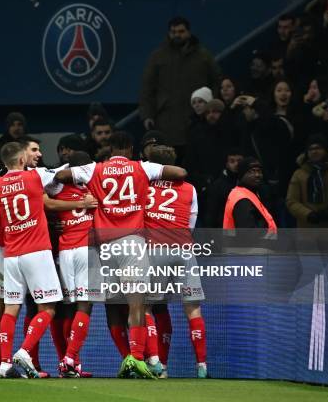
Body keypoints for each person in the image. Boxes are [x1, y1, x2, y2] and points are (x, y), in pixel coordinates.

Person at [54, 131, 188, 379]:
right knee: (137, 303)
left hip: (105, 247)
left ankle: (80, 357)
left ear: (111, 147)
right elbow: (180, 174)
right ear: (129, 148)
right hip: (132, 243)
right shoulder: (141, 167)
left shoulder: (94, 169)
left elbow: (61, 175)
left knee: (113, 307)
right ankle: (137, 357)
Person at [0, 142, 64, 379]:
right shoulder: (35, 176)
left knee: (11, 307)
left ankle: (4, 363)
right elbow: (63, 174)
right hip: (36, 251)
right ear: (21, 160)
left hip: (11, 255)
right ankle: (25, 351)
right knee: (48, 307)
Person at [143, 145, 207, 379]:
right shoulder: (189, 188)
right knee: (193, 308)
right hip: (184, 249)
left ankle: (157, 365)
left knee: (146, 306)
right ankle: (202, 366)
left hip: (153, 249)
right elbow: (191, 222)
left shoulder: (144, 184)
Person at [139, 16, 221, 154]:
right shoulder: (158, 56)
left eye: (181, 31)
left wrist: (210, 108)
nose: (177, 35)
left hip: (197, 120)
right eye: (173, 32)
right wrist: (147, 115)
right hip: (165, 121)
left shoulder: (203, 56)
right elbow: (147, 88)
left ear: (189, 32)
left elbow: (217, 80)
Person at [49, 151, 98, 377]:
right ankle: (69, 358)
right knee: (84, 305)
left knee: (69, 307)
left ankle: (72, 365)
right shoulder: (96, 188)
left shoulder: (57, 190)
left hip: (65, 252)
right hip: (86, 251)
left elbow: (43, 197)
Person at [286, 134, 328, 227]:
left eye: (318, 148)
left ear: (326, 150)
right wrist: (308, 214)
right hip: (308, 227)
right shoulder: (299, 174)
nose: (314, 151)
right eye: (310, 149)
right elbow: (291, 201)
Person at [223, 157, 277, 238]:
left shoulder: (251, 192)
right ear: (242, 175)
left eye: (259, 171)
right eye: (251, 171)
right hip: (247, 249)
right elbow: (248, 234)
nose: (257, 175)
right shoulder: (241, 198)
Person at [204, 150, 244, 228]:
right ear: (227, 164)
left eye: (239, 161)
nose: (236, 164)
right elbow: (211, 213)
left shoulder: (249, 182)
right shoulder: (218, 185)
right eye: (232, 161)